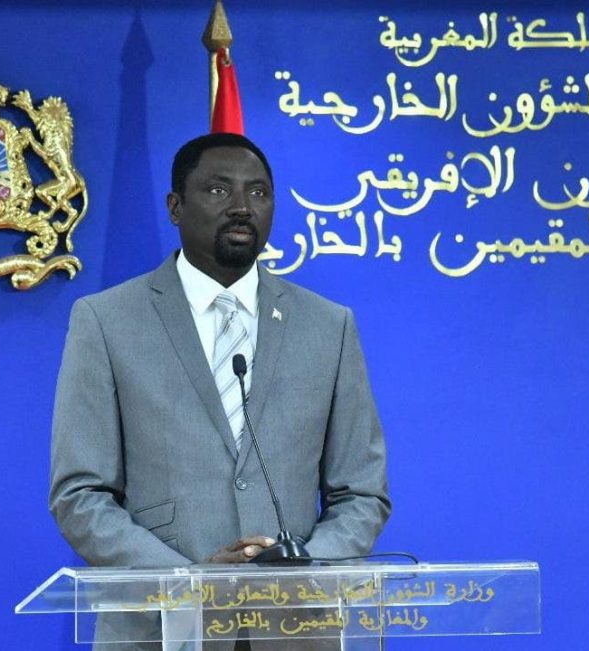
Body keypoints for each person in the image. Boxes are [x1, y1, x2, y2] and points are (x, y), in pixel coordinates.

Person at [49, 132, 391, 648]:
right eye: (217, 190)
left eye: (258, 192)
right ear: (175, 207)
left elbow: (361, 492)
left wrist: (303, 575)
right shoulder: (106, 321)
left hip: (294, 629)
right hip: (160, 629)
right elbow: (80, 494)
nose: (241, 207)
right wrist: (190, 583)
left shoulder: (328, 326)